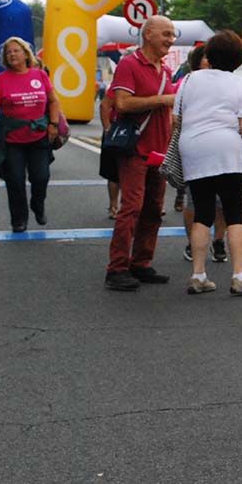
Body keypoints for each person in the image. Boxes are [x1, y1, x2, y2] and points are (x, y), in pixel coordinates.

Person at [175, 30, 242, 296]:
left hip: (193, 148)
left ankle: (198, 275)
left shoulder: (189, 80)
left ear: (209, 55)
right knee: (234, 212)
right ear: (238, 59)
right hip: (226, 150)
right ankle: (239, 275)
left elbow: (175, 119)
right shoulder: (238, 84)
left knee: (202, 212)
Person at [104, 15, 177, 291]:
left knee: (154, 209)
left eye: (172, 34)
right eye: (166, 34)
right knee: (131, 208)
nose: (171, 40)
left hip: (160, 150)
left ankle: (141, 262)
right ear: (148, 35)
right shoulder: (129, 64)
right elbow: (120, 103)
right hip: (135, 148)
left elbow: (168, 111)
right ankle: (117, 268)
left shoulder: (166, 69)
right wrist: (163, 100)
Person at [0, 37, 63, 233]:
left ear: (26, 54)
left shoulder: (40, 75)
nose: (12, 54)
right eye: (8, 52)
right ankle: (19, 219)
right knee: (15, 181)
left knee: (41, 177)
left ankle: (38, 204)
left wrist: (53, 124)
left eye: (15, 51)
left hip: (39, 137)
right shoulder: (2, 79)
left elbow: (53, 101)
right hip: (12, 140)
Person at [178, 44, 228, 262]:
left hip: (224, 148)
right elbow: (176, 117)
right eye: (207, 58)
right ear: (198, 62)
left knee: (223, 202)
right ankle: (193, 242)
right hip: (196, 148)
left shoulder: (229, 82)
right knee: (194, 200)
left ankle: (218, 241)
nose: (210, 62)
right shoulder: (188, 83)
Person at [98, 93, 121, 219]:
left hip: (134, 130)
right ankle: (113, 205)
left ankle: (117, 207)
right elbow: (104, 106)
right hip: (118, 130)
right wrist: (108, 129)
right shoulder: (118, 86)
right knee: (113, 171)